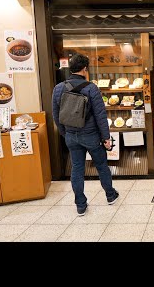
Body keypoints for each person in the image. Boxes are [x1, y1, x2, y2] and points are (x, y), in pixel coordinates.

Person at [52, 54, 119, 216]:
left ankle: (80, 205)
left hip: (71, 136)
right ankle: (110, 195)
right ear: (85, 69)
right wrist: (106, 138)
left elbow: (56, 115)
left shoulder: (59, 88)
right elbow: (100, 115)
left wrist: (65, 133)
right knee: (102, 166)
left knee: (77, 169)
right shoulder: (91, 88)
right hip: (91, 136)